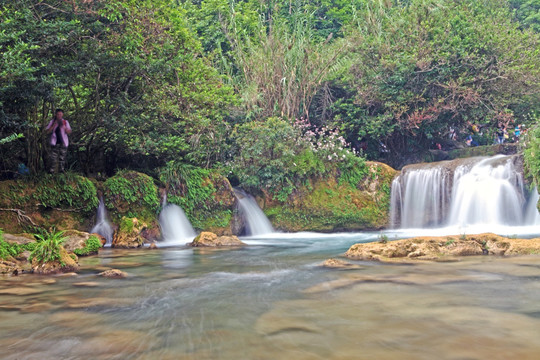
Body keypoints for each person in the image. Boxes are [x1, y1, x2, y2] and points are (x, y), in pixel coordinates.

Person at [45, 109, 72, 173]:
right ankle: (52, 170)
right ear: (56, 115)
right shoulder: (52, 121)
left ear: (62, 115)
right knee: (53, 157)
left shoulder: (65, 122)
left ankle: (61, 170)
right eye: (58, 114)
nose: (59, 116)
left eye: (60, 114)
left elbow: (69, 132)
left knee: (62, 157)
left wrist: (64, 127)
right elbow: (47, 131)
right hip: (54, 142)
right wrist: (54, 124)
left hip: (63, 142)